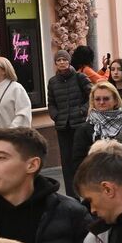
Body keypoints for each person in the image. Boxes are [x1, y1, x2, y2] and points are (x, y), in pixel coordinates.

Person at [47, 49, 91, 192]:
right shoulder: (53, 82)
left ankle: (85, 190)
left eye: (64, 60)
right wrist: (55, 115)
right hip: (62, 126)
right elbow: (51, 102)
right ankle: (71, 193)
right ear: (55, 63)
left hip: (79, 124)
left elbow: (91, 96)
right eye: (59, 60)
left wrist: (82, 110)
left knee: (80, 158)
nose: (62, 62)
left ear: (69, 61)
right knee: (66, 161)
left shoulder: (80, 77)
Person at [76, 81, 122, 160]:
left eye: (106, 99)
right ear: (93, 102)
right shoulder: (84, 130)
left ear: (115, 100)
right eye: (97, 99)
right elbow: (79, 161)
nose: (101, 102)